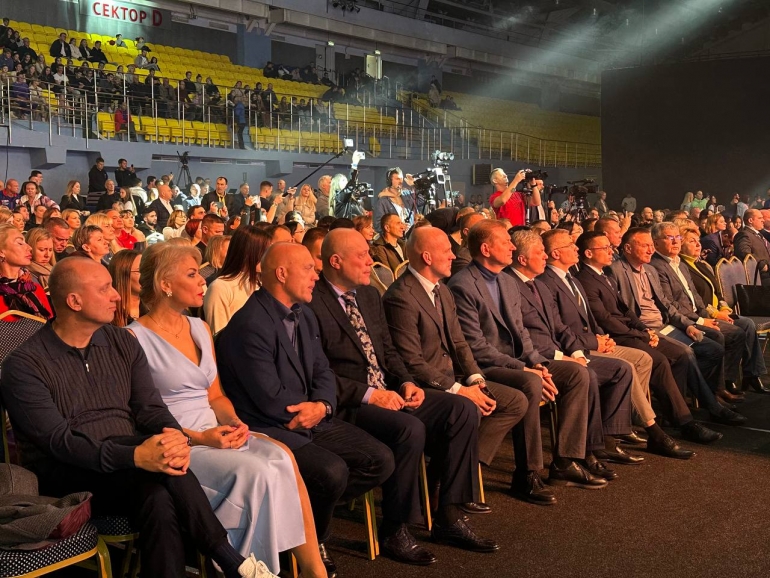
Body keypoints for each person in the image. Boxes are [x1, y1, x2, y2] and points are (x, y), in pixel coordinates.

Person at [0, 256, 279, 578]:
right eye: (104, 289)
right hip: (66, 474)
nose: (116, 296)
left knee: (157, 496)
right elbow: (59, 442)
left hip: (128, 463)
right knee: (162, 475)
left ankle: (231, 563)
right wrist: (135, 456)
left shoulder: (121, 341)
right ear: (74, 301)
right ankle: (229, 559)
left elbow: (150, 408)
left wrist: (174, 437)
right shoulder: (24, 364)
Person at [128, 243, 326, 577]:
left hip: (217, 431)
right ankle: (249, 569)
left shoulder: (200, 328)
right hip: (182, 443)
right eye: (192, 274)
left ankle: (312, 569)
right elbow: (141, 417)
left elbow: (216, 396)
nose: (202, 281)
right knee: (258, 472)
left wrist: (234, 422)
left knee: (282, 457)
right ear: (165, 284)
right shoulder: (134, 338)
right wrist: (202, 438)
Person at [308, 229, 497, 563]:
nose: (371, 262)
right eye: (362, 256)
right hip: (350, 402)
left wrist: (407, 382)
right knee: (408, 429)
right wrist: (372, 395)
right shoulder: (312, 301)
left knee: (461, 409)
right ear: (335, 261)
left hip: (389, 390)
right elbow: (317, 373)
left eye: (369, 253)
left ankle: (449, 516)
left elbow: (389, 352)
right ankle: (396, 529)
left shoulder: (368, 295)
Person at [216, 243, 394, 577]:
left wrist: (322, 406)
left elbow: (323, 370)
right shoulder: (250, 324)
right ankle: (312, 540)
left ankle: (297, 524)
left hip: (311, 416)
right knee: (331, 472)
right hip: (270, 426)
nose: (316, 275)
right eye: (309, 269)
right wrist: (310, 411)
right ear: (282, 274)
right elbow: (269, 398)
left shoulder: (303, 313)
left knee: (380, 459)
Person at [383, 227, 532, 487]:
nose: (454, 256)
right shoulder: (401, 296)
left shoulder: (442, 290)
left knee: (515, 401)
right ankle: (455, 479)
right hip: (426, 386)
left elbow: (460, 343)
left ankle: (454, 471)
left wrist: (476, 380)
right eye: (447, 251)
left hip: (454, 377)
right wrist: (459, 390)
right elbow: (412, 362)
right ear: (427, 257)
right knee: (468, 408)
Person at [505, 229, 635, 479]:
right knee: (583, 374)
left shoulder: (539, 285)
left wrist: (576, 351)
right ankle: (573, 457)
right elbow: (521, 336)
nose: (545, 257)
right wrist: (560, 356)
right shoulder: (509, 285)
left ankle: (599, 444)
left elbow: (560, 327)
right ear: (522, 259)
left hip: (560, 352)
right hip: (533, 358)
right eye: (540, 253)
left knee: (620, 368)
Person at [574, 231, 712, 453]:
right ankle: (680, 421)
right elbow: (605, 319)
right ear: (589, 253)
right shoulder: (586, 279)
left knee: (680, 354)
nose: (611, 251)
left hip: (632, 331)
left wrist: (644, 329)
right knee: (657, 360)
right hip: (617, 336)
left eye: (610, 247)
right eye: (605, 248)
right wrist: (640, 334)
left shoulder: (602, 276)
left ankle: (674, 416)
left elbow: (626, 310)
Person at [610, 228, 746, 428]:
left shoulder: (649, 270)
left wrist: (688, 325)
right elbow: (621, 311)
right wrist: (644, 332)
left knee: (713, 348)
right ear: (628, 248)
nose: (650, 250)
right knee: (685, 354)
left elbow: (666, 304)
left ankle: (687, 401)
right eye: (645, 245)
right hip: (645, 329)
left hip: (665, 325)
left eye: (651, 245)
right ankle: (706, 407)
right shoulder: (616, 271)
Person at [649, 222, 746, 403]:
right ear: (656, 243)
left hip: (697, 316)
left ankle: (722, 385)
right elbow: (669, 304)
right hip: (680, 321)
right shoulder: (656, 266)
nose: (675, 242)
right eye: (670, 238)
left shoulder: (679, 263)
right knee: (718, 337)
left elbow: (694, 296)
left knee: (738, 332)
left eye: (678, 237)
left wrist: (706, 315)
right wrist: (701, 321)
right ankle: (710, 391)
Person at [678, 226, 768, 393]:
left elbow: (718, 292)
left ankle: (751, 375)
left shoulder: (701, 265)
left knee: (747, 324)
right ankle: (727, 380)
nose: (698, 245)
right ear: (681, 245)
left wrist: (724, 307)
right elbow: (695, 301)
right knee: (738, 330)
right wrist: (716, 313)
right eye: (692, 241)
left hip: (718, 311)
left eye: (698, 241)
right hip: (704, 315)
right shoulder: (682, 267)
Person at [204, 227, 269, 334]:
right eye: (264, 251)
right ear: (247, 252)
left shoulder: (263, 283)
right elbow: (219, 335)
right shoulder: (220, 287)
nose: (268, 257)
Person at [0, 224, 52, 319]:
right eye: (20, 243)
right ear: (1, 252)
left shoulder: (35, 289)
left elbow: (48, 325)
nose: (29, 248)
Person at [373, 168, 417, 234]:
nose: (400, 181)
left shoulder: (407, 195)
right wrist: (398, 229)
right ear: (390, 181)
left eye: (401, 179)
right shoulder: (382, 202)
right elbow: (378, 225)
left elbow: (422, 200)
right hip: (395, 237)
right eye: (397, 179)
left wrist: (414, 184)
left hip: (411, 236)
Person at [733, 209, 770, 285]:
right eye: (760, 218)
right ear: (750, 220)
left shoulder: (758, 234)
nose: (763, 220)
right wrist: (761, 265)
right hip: (759, 277)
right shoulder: (744, 234)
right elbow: (744, 252)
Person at [108, 249, 143, 327]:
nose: (146, 276)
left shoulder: (153, 308)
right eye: (140, 271)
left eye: (146, 271)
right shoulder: (107, 313)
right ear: (122, 275)